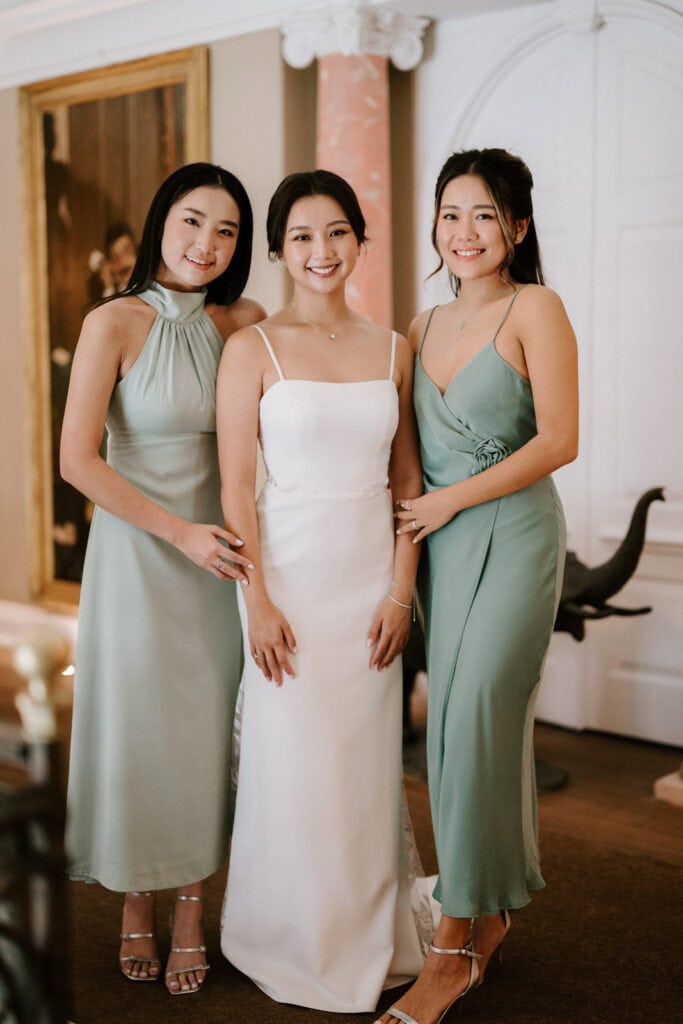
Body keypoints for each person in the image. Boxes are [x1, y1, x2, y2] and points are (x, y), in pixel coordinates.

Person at [217, 170, 433, 1013]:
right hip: (289, 585)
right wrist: (256, 601)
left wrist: (399, 592)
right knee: (294, 765)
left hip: (368, 587)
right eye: (302, 236)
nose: (321, 251)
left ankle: (366, 933)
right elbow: (238, 490)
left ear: (359, 242)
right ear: (278, 250)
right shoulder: (253, 350)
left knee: (363, 768)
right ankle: (283, 935)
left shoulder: (391, 348)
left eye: (337, 232)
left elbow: (405, 479)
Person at [381, 148, 579, 1024]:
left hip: (515, 532)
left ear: (518, 229)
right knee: (454, 738)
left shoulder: (536, 307)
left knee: (475, 720)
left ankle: (453, 945)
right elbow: (405, 462)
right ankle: (489, 905)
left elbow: (558, 441)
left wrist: (447, 501)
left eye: (485, 215)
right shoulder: (419, 329)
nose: (464, 232)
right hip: (444, 551)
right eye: (451, 213)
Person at [62, 162, 265, 996]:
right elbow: (78, 460)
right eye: (191, 221)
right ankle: (135, 900)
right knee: (144, 727)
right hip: (143, 558)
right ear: (159, 222)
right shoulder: (114, 321)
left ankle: (190, 907)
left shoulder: (243, 322)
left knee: (206, 731)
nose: (206, 244)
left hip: (222, 559)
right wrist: (178, 531)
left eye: (226, 230)